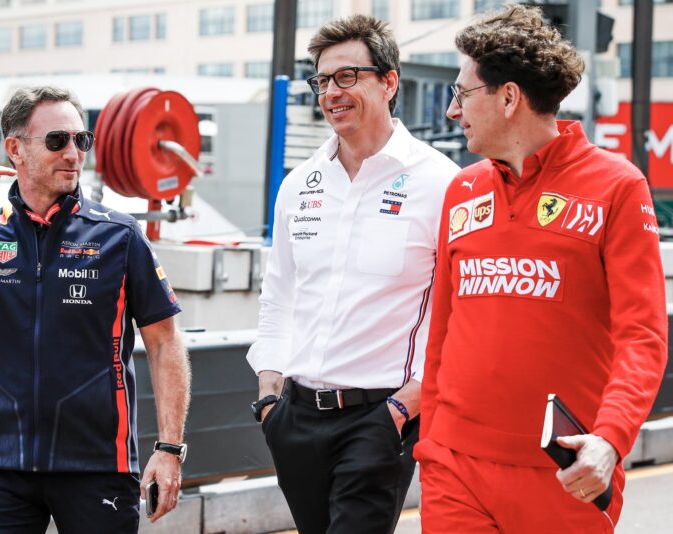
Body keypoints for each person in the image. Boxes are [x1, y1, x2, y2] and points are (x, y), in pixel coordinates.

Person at [417, 5, 668, 533]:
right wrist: (432, 444)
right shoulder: (462, 190)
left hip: (568, 472)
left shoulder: (618, 185)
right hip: (454, 468)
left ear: (509, 97)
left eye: (462, 93)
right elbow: (442, 330)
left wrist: (611, 440)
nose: (453, 111)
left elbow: (643, 337)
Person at [0, 86, 191, 533]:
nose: (73, 153)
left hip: (99, 465)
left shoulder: (120, 235)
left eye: (82, 140)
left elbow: (164, 342)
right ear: (15, 149)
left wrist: (169, 448)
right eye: (57, 140)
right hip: (1, 467)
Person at [246, 14, 460, 534]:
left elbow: (455, 313)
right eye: (321, 80)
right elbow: (279, 295)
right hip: (294, 416)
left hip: (380, 417)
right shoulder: (300, 183)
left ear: (389, 82)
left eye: (347, 76)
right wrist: (270, 396)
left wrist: (405, 406)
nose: (331, 93)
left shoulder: (441, 183)